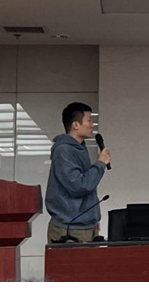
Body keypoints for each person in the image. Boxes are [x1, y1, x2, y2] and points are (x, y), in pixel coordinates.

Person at [45, 102, 111, 243]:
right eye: (89, 120)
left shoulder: (79, 148)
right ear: (75, 125)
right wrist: (100, 164)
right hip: (69, 228)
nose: (92, 125)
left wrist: (92, 217)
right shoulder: (64, 150)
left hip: (85, 225)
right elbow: (79, 186)